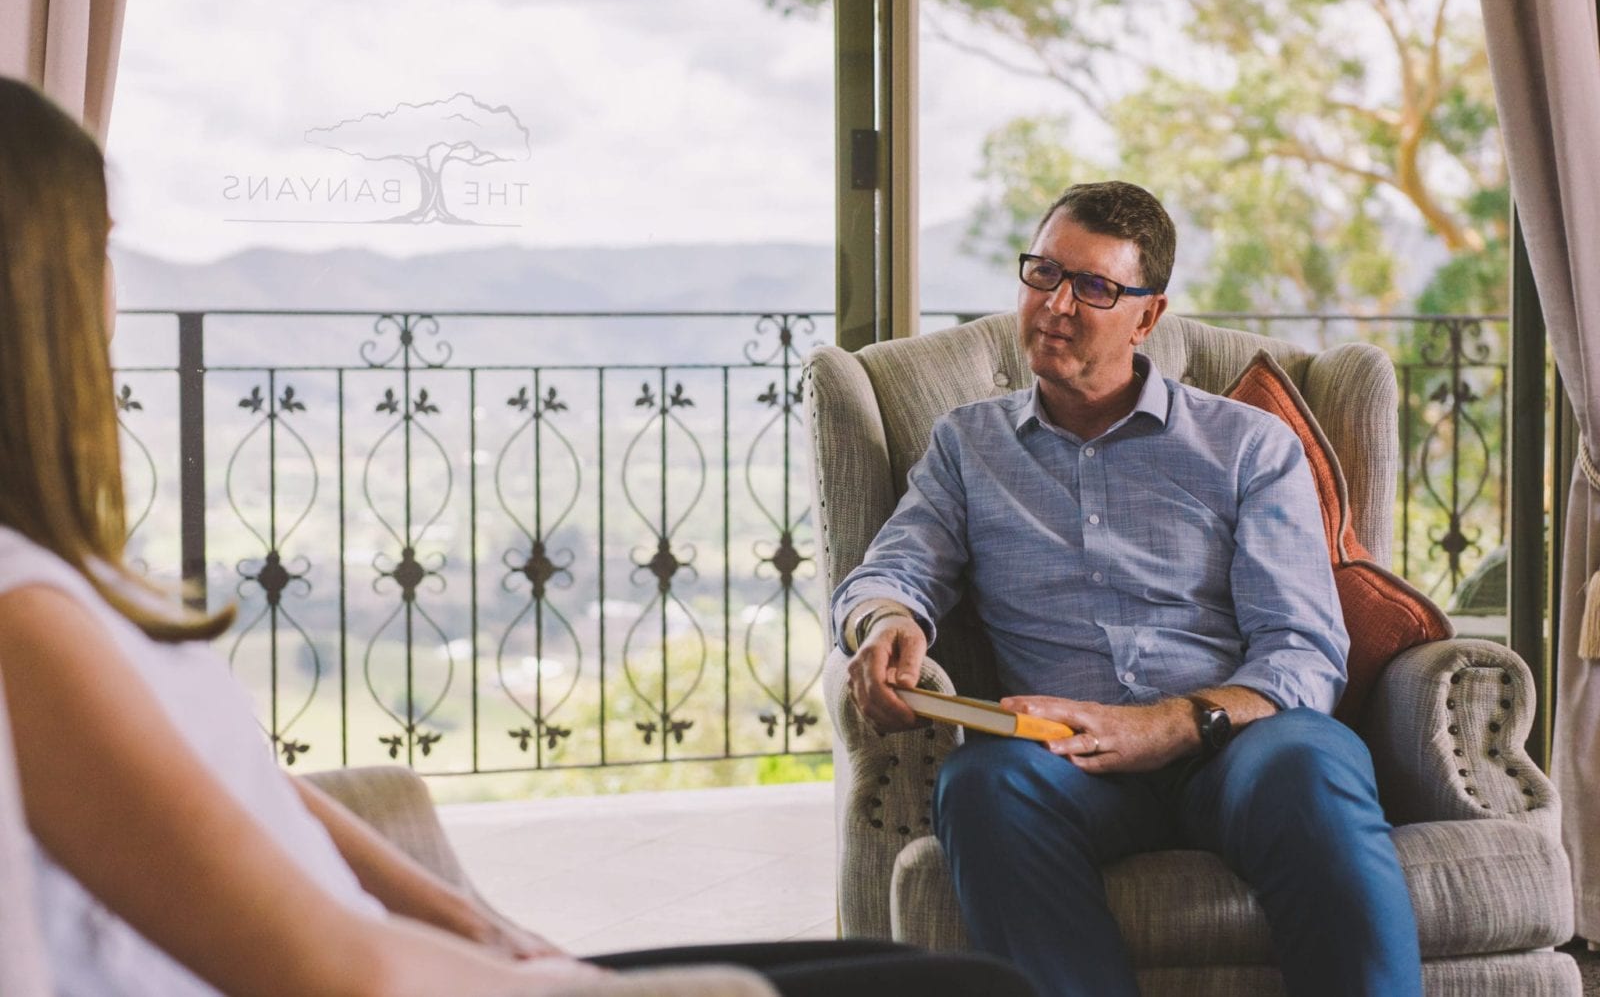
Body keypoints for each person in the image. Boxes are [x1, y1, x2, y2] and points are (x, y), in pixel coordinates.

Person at [0, 76, 1035, 997]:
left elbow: (249, 791)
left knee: (949, 978)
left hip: (413, 962)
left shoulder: (55, 579)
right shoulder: (25, 623)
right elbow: (332, 972)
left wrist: (485, 926)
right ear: (34, 292)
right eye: (95, 248)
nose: (115, 290)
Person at [833, 180, 1423, 997]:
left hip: (1239, 748)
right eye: (1043, 274)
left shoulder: (1249, 447)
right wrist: (884, 620)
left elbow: (1304, 648)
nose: (1057, 304)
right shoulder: (969, 447)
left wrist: (1172, 723)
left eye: (1096, 287)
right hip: (1065, 759)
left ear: (1148, 316)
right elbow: (893, 569)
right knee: (980, 786)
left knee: (1311, 762)